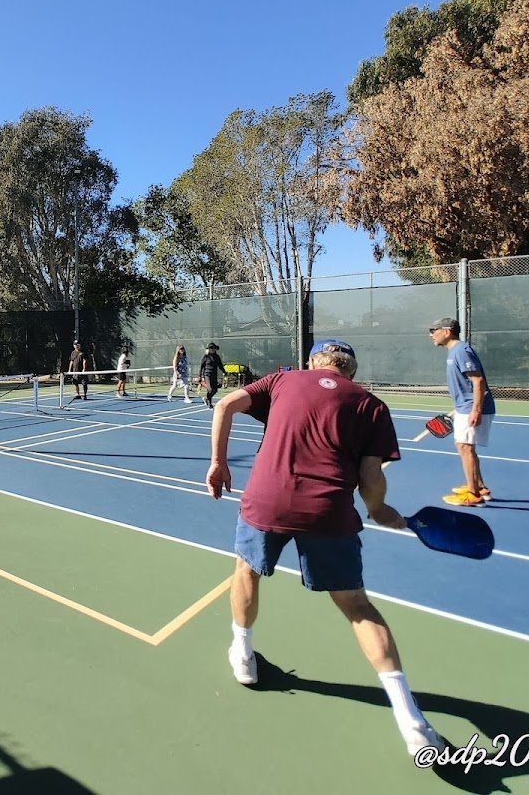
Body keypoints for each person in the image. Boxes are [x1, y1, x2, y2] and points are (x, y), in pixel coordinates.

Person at [205, 339, 442, 758]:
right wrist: (378, 509)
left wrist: (218, 462)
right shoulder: (371, 405)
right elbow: (371, 477)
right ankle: (412, 722)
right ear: (351, 370)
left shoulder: (283, 380)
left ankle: (242, 655)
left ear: (313, 362)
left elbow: (224, 405)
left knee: (246, 571)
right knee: (358, 607)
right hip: (328, 512)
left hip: (267, 500)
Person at [429, 318, 495, 506]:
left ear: (447, 331)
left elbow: (478, 381)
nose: (431, 335)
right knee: (466, 447)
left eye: (433, 330)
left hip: (471, 408)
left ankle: (473, 495)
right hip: (465, 407)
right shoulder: (455, 352)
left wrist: (476, 410)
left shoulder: (461, 351)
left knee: (465, 447)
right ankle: (479, 486)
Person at [198, 342, 224, 408]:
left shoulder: (217, 357)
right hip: (207, 375)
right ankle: (209, 403)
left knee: (215, 390)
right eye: (211, 348)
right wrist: (199, 376)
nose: (213, 349)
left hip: (214, 375)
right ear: (209, 349)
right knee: (210, 389)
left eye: (214, 348)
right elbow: (201, 367)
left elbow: (220, 365)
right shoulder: (205, 357)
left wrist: (224, 372)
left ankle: (207, 399)